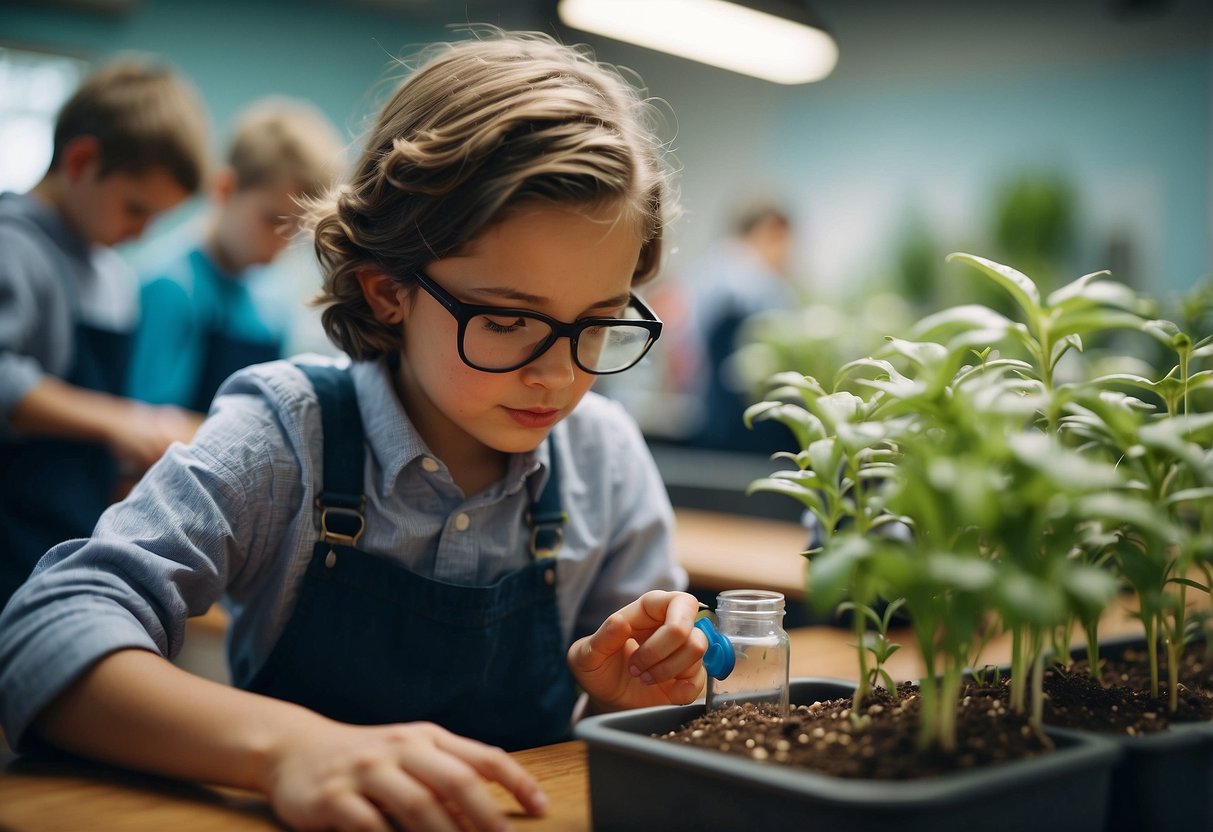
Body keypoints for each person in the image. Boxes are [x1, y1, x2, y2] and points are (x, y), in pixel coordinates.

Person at [0, 30, 707, 832]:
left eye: (599, 322)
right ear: (387, 293)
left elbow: (651, 693)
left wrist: (629, 693)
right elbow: (43, 633)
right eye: (508, 321)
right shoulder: (286, 435)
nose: (558, 376)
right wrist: (287, 750)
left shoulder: (605, 459)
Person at [0, 57, 211, 607]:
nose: (141, 232)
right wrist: (125, 422)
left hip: (61, 530)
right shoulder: (15, 246)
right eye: (135, 208)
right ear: (81, 160)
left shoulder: (112, 273)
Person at [126, 97, 346, 414]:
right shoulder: (171, 286)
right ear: (225, 189)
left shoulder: (272, 299)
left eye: (297, 231)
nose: (282, 244)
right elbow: (150, 430)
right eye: (272, 221)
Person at [681, 198, 798, 454]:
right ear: (764, 231)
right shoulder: (751, 278)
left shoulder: (706, 272)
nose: (787, 250)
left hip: (711, 413)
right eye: (780, 238)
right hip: (741, 420)